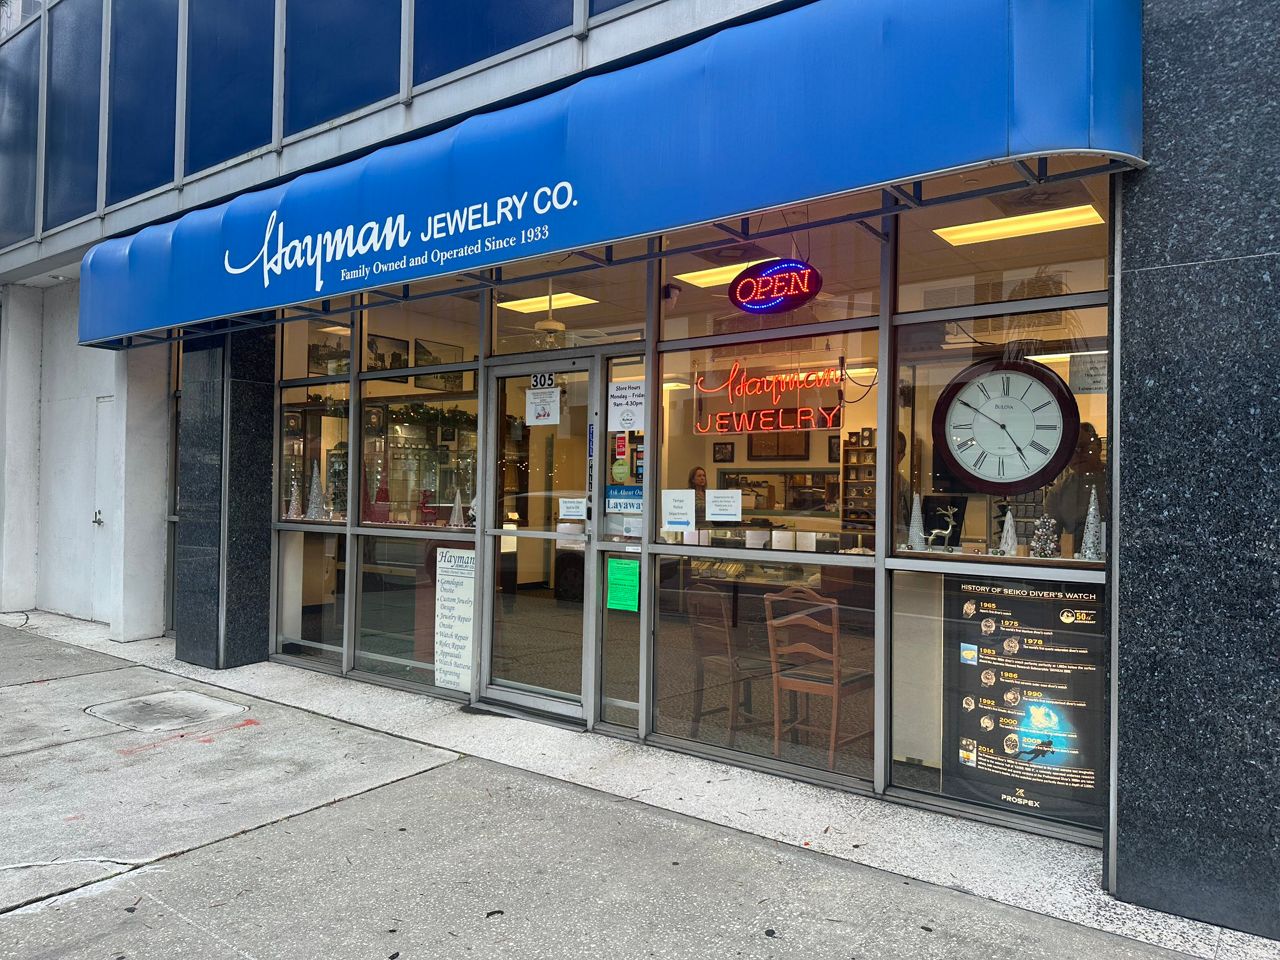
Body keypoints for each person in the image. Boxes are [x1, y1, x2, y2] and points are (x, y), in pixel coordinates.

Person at [1045, 422, 1107, 548]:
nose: (1077, 455)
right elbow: (1050, 541)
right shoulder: (1058, 492)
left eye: (1083, 447)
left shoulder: (1118, 483)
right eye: (1070, 451)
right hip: (1076, 558)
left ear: (1099, 446)